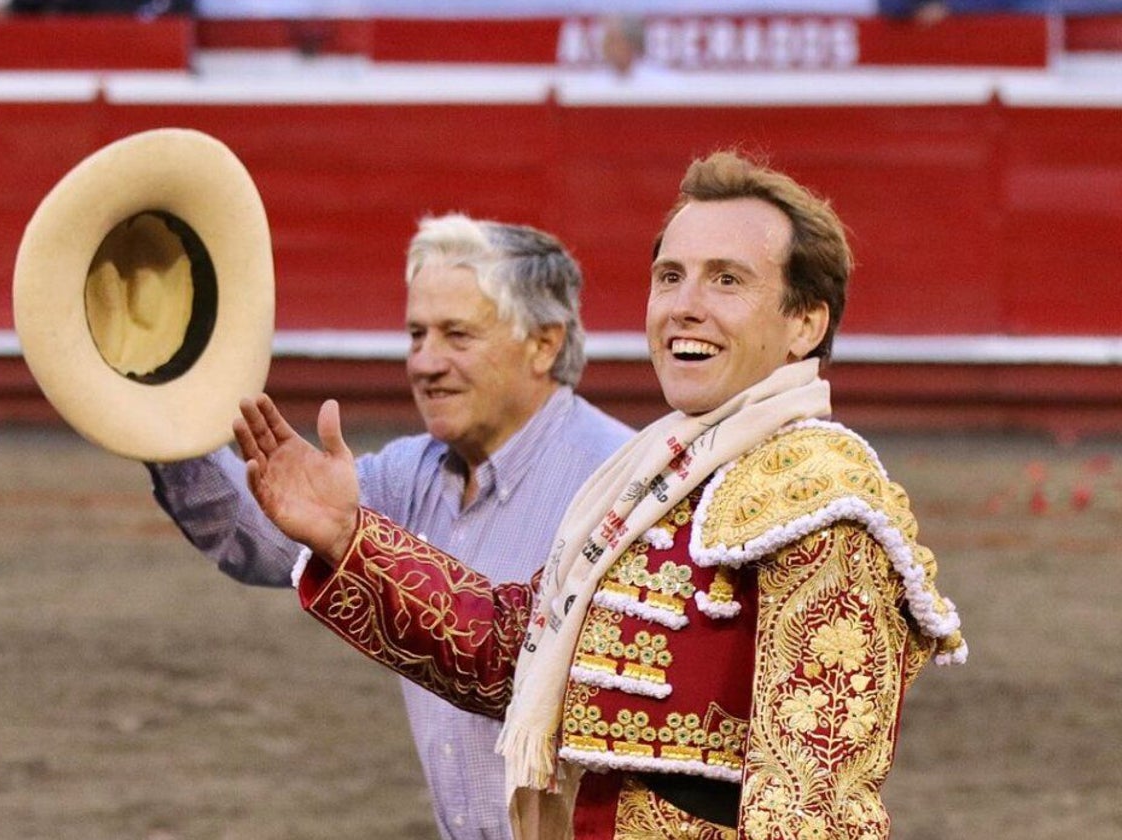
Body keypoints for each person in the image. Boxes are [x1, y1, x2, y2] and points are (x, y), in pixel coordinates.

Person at [236, 150, 967, 839]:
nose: (685, 305)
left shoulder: (820, 494)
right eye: (670, 275)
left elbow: (817, 809)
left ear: (805, 323)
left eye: (727, 280)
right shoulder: (653, 474)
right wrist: (347, 535)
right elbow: (510, 654)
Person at [147, 212, 632, 839]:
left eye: (457, 335)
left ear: (543, 343)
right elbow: (263, 542)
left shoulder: (619, 483)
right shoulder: (413, 471)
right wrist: (152, 407)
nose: (426, 363)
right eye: (416, 335)